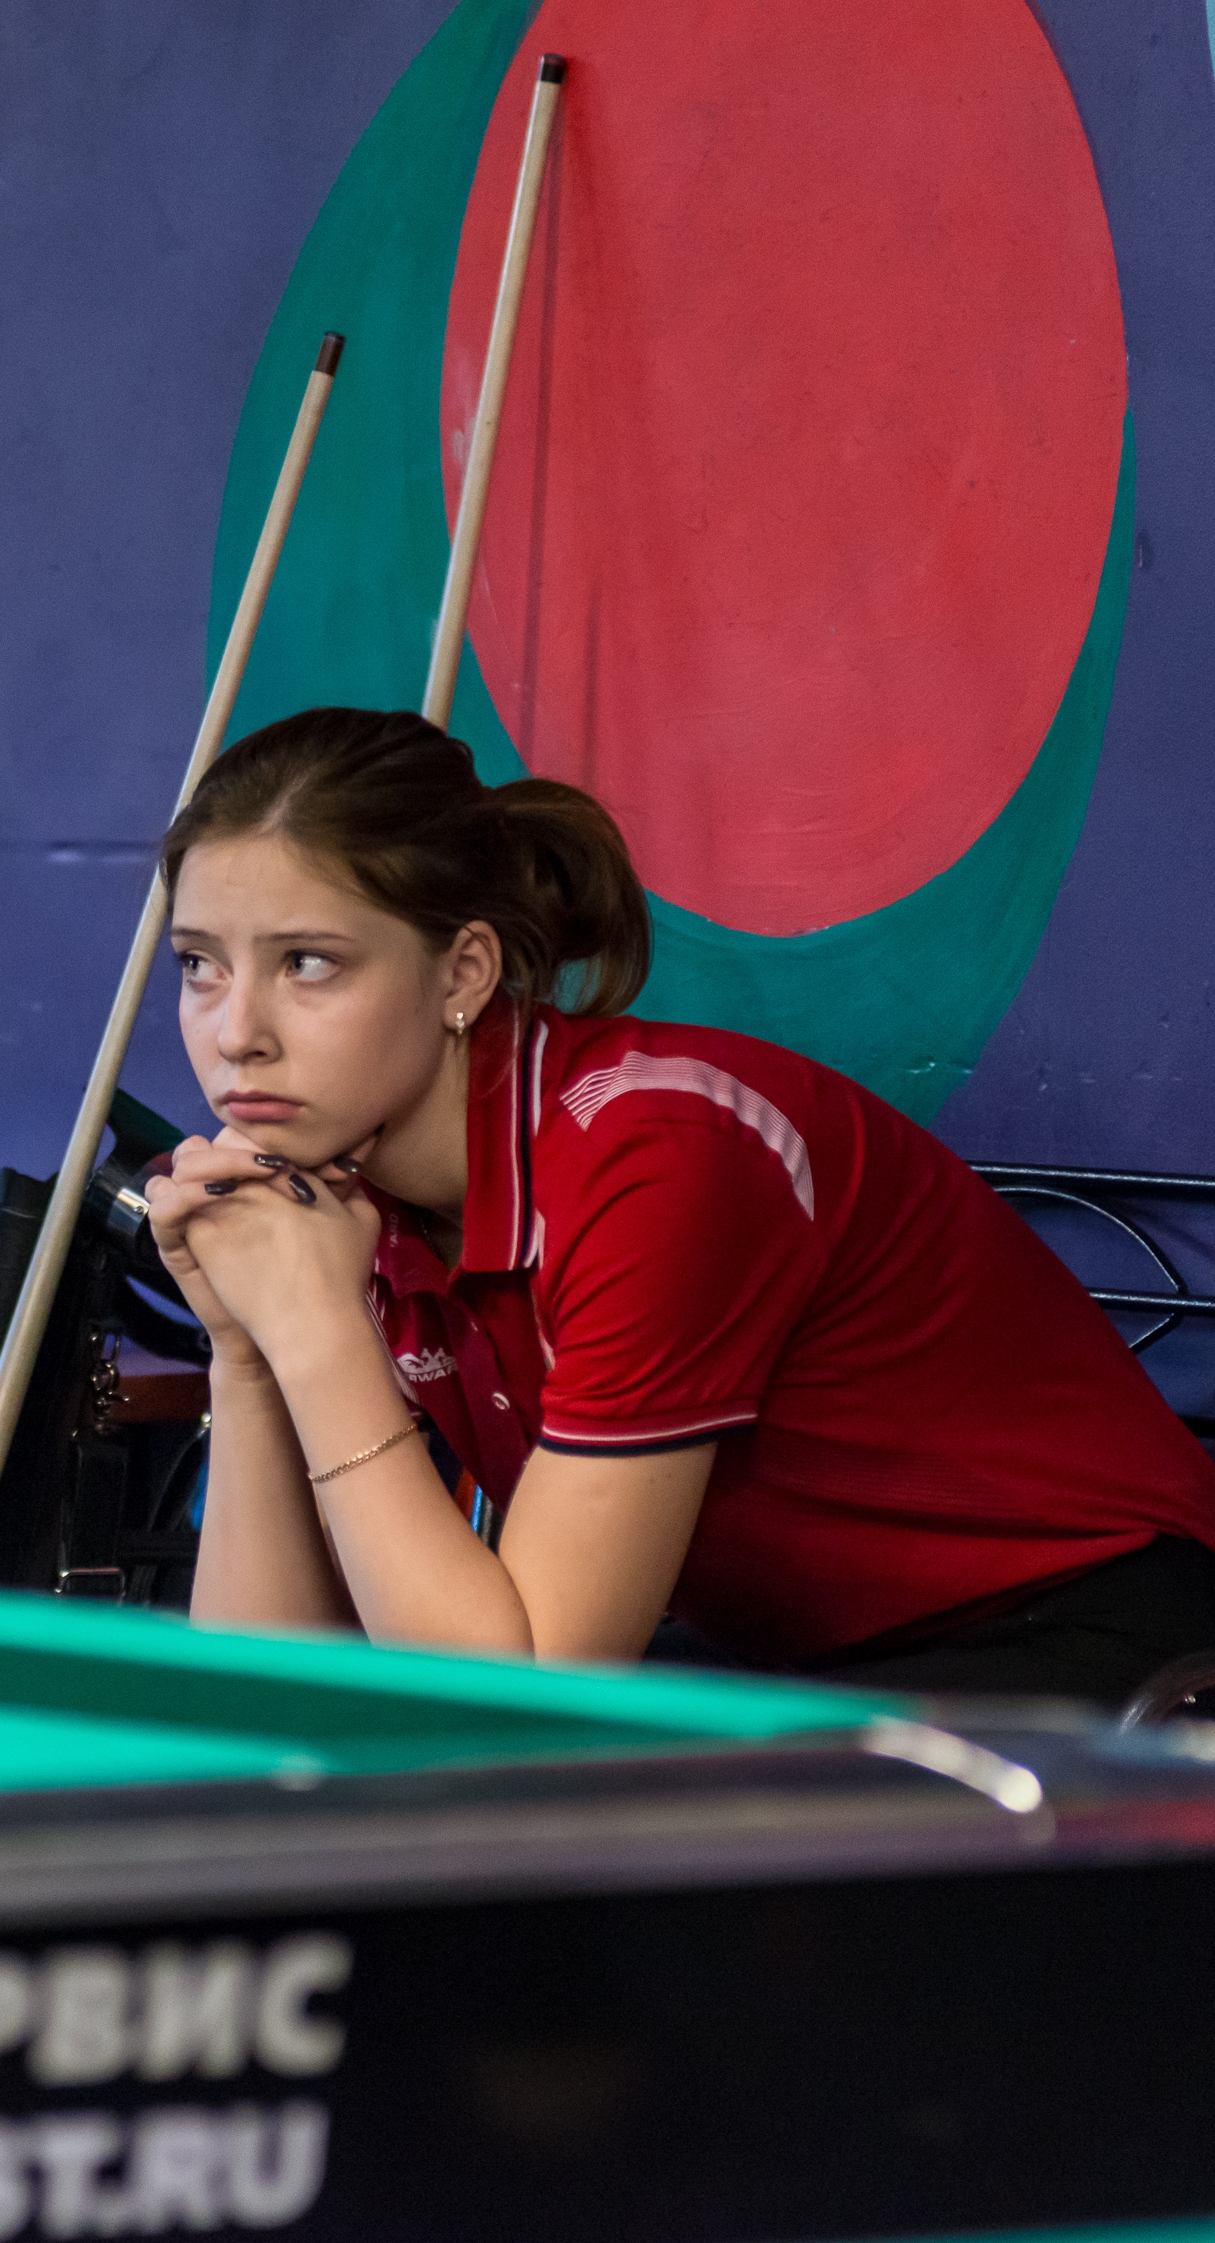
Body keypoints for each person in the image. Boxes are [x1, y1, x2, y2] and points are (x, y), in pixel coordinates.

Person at [144, 707, 1215, 1705]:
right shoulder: (341, 1184)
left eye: (308, 963)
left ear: (463, 971)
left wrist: (316, 1333)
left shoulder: (656, 1156)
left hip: (1096, 1640)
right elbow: (263, 1695)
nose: (236, 1033)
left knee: (498, 1811)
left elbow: (521, 1696)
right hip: (806, 1664)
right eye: (199, 965)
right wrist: (248, 1353)